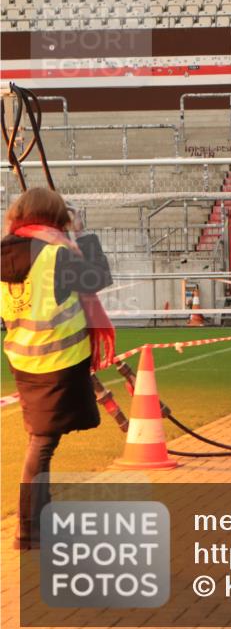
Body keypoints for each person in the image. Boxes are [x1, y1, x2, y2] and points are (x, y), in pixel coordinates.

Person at [1, 188, 114, 550]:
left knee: (43, 440)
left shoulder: (6, 251)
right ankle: (29, 530)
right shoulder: (57, 252)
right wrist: (80, 233)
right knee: (42, 443)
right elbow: (97, 279)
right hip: (60, 360)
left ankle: (40, 523)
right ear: (54, 216)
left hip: (24, 359)